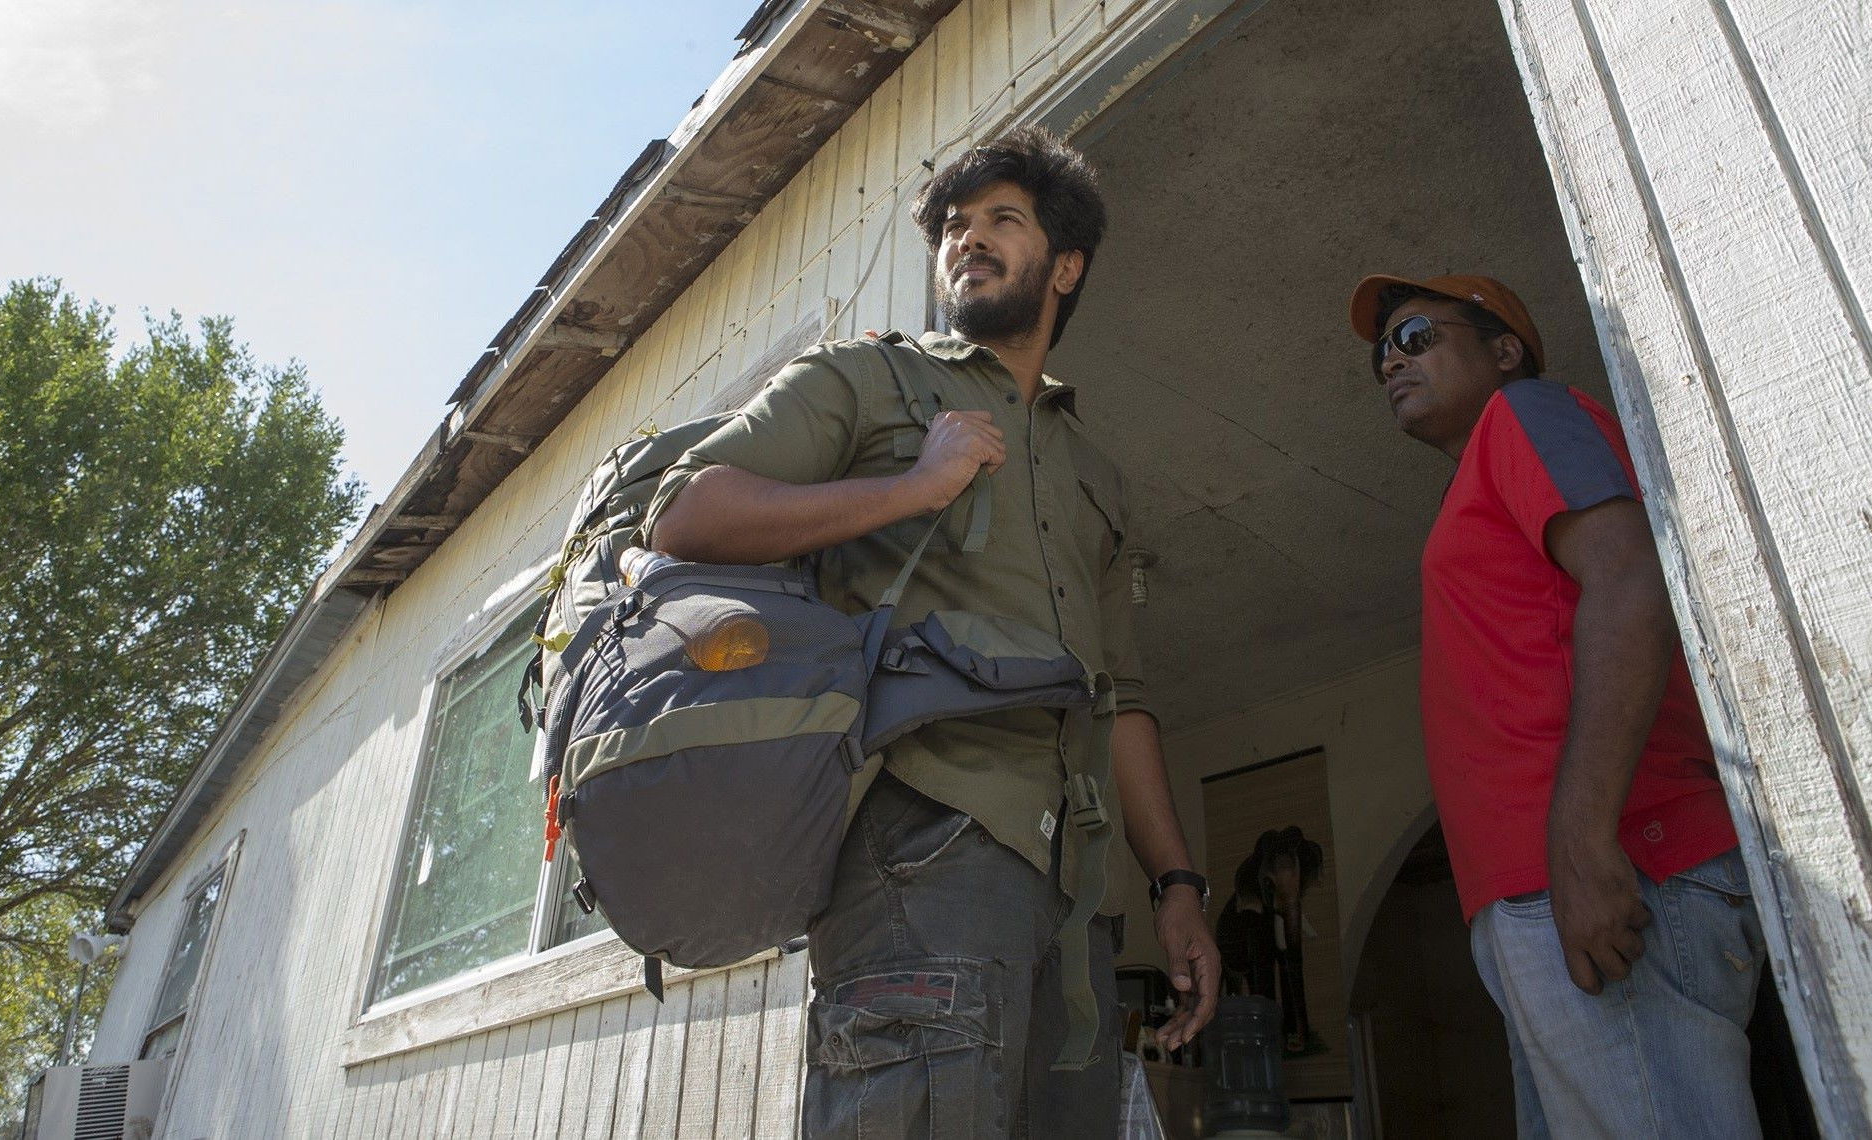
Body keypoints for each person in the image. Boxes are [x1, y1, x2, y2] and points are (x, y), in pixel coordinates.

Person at [646, 128, 1219, 1138]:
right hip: (917, 841)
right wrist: (912, 488)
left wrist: (1177, 885)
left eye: (1002, 219)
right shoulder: (867, 379)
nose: (968, 239)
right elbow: (686, 515)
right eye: (954, 225)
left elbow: (1119, 699)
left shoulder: (1094, 475)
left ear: (1066, 266)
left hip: (1072, 898)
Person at [1350, 273, 1765, 1138]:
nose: (1390, 359)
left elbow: (1629, 580)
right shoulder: (1481, 476)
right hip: (1547, 888)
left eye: (1416, 335)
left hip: (1614, 864)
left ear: (1504, 350)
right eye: (1381, 351)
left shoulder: (1526, 412)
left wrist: (1578, 842)